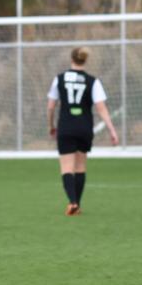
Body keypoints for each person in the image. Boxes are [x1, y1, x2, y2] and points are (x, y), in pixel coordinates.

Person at [47, 47, 119, 215]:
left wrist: (51, 126)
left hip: (66, 126)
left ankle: (72, 202)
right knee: (80, 167)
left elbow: (50, 106)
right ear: (85, 60)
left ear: (71, 59)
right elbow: (101, 109)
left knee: (67, 168)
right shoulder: (92, 81)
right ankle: (77, 204)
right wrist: (112, 131)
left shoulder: (59, 79)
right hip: (84, 128)